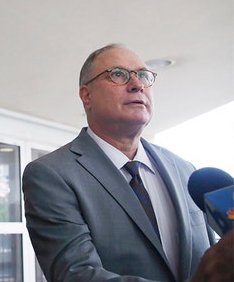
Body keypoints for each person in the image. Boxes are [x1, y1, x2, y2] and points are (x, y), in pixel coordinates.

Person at [22, 43, 234, 281]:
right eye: (118, 74)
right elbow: (76, 275)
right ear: (86, 95)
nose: (137, 84)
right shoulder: (51, 174)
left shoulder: (186, 170)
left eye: (143, 75)